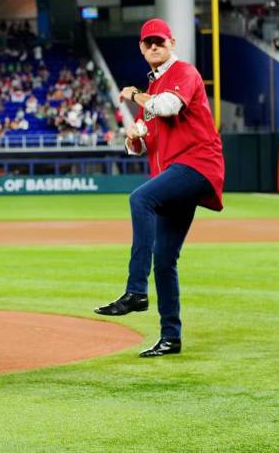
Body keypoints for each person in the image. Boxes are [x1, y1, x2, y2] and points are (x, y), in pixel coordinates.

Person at [93, 18, 225, 357]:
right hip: (176, 171)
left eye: (160, 41)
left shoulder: (183, 72)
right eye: (148, 42)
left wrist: (136, 95)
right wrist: (134, 140)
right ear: (141, 47)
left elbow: (168, 106)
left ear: (172, 44)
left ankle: (136, 291)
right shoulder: (151, 92)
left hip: (197, 163)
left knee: (141, 198)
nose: (154, 46)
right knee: (164, 259)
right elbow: (146, 143)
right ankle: (171, 337)